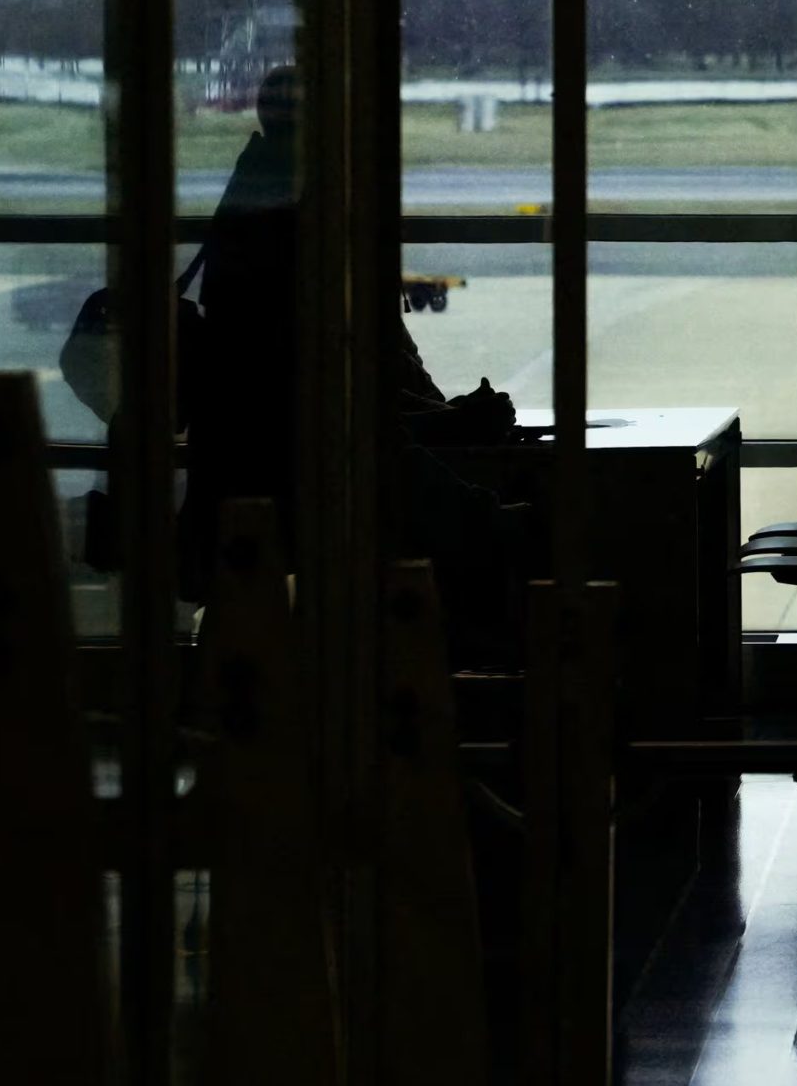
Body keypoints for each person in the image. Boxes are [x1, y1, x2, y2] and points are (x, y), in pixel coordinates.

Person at [187, 66, 538, 657]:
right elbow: (323, 377)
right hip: (298, 460)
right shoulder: (299, 217)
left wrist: (432, 414)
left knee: (467, 514)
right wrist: (437, 417)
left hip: (271, 449)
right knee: (482, 528)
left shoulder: (260, 199)